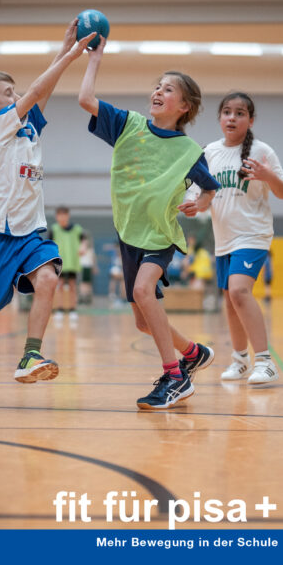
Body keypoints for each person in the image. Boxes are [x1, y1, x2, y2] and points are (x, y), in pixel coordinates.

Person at [79, 39, 220, 410]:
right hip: (128, 233)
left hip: (160, 235)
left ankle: (175, 377)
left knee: (144, 290)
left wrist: (198, 203)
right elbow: (85, 99)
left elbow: (210, 191)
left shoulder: (189, 152)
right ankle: (192, 352)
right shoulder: (128, 125)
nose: (158, 90)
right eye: (157, 85)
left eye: (168, 88)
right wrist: (95, 59)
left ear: (183, 106)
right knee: (143, 322)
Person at [0, 19, 94, 399]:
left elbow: (42, 90)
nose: (17, 96)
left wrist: (63, 46)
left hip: (30, 232)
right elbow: (37, 89)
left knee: (49, 279)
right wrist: (71, 56)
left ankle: (30, 356)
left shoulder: (27, 127)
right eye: (8, 93)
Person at [191, 91, 283, 384]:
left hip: (253, 234)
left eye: (239, 113)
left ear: (250, 119)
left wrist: (267, 176)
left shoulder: (262, 151)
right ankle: (240, 359)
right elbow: (203, 197)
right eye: (226, 112)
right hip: (223, 237)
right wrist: (194, 205)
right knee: (230, 299)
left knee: (238, 291)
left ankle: (265, 361)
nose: (232, 117)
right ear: (220, 117)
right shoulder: (209, 152)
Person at [50, 206, 83, 322]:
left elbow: (84, 241)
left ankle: (73, 309)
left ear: (68, 216)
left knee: (73, 286)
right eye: (60, 215)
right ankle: (59, 309)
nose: (62, 217)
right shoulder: (54, 229)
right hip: (59, 263)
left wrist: (83, 247)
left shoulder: (77, 229)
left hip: (73, 262)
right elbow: (49, 245)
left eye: (64, 215)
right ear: (56, 216)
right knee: (59, 286)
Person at [78, 233, 97, 305]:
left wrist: (94, 267)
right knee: (83, 283)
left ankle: (88, 298)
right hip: (83, 267)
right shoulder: (81, 247)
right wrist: (83, 245)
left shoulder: (91, 249)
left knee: (88, 283)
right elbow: (80, 253)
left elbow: (93, 258)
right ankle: (82, 297)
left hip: (88, 267)